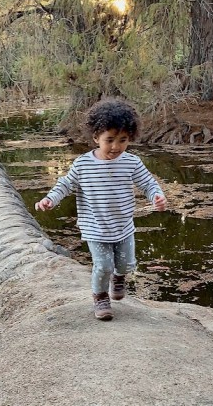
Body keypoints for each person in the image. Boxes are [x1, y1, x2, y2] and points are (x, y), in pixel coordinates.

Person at [35, 99, 166, 321]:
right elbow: (65, 184)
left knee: (124, 264)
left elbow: (148, 183)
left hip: (123, 226)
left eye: (123, 140)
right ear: (96, 138)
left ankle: (119, 277)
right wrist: (50, 199)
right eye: (110, 140)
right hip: (95, 226)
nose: (116, 146)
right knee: (103, 265)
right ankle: (100, 297)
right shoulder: (83, 164)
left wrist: (156, 195)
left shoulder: (132, 162)